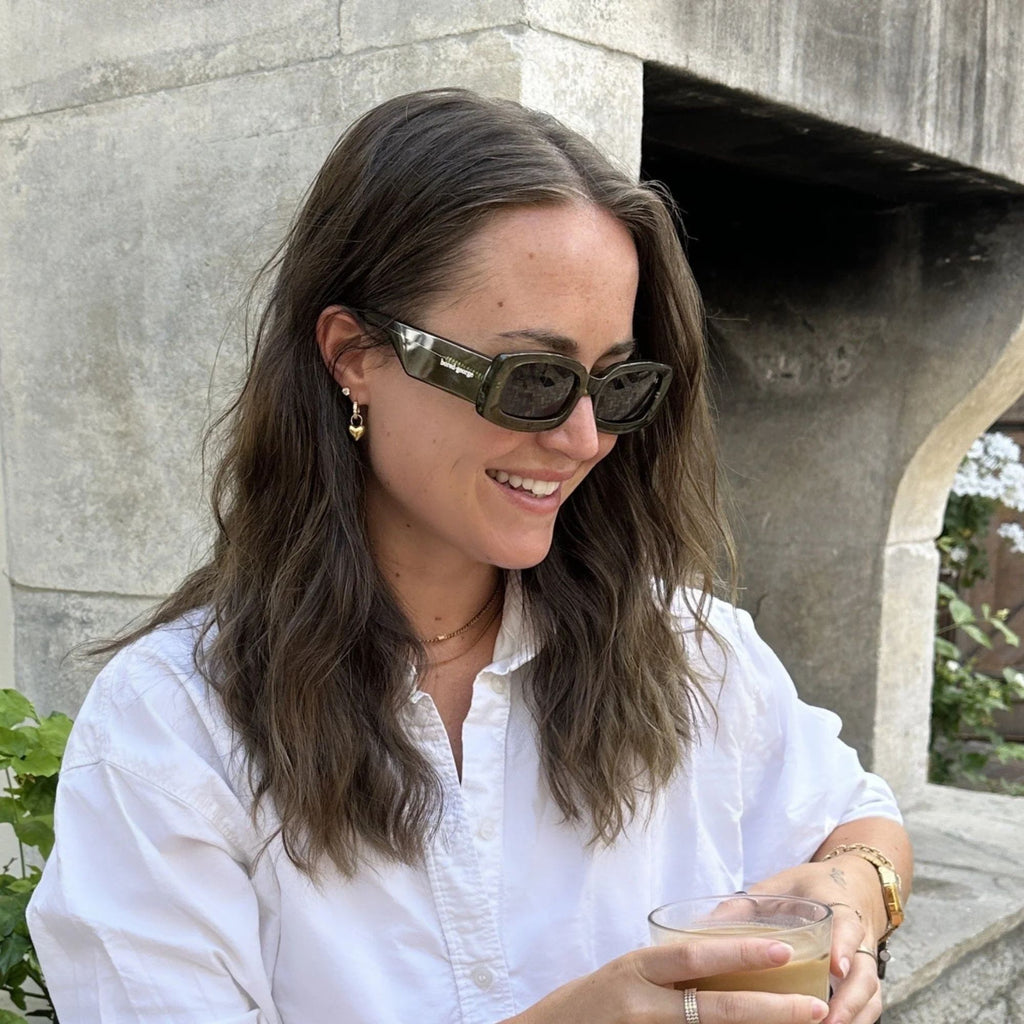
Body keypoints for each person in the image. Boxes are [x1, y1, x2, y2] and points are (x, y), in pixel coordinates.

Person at [28, 88, 911, 1024]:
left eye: (617, 386)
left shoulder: (688, 651)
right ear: (354, 354)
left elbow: (858, 815)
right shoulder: (176, 728)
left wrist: (852, 892)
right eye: (532, 378)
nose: (584, 439)